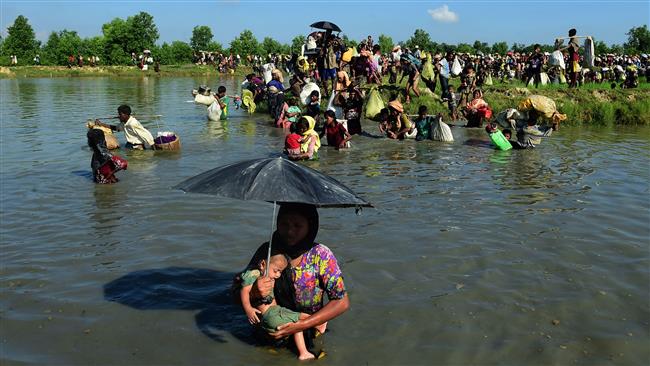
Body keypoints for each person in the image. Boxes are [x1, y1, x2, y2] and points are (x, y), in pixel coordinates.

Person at [239, 203, 349, 355]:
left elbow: (341, 301)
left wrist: (302, 325)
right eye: (284, 224)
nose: (290, 231)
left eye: (297, 225)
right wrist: (254, 291)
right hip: (269, 331)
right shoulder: (267, 252)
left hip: (307, 331)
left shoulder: (321, 255)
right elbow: (237, 289)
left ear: (310, 227)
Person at [238, 253, 325, 360]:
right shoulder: (254, 274)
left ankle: (303, 353)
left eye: (280, 272)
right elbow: (244, 291)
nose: (278, 275)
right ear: (263, 264)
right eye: (276, 271)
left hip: (272, 315)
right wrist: (248, 309)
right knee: (300, 317)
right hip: (271, 314)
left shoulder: (267, 274)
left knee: (297, 325)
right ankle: (319, 323)